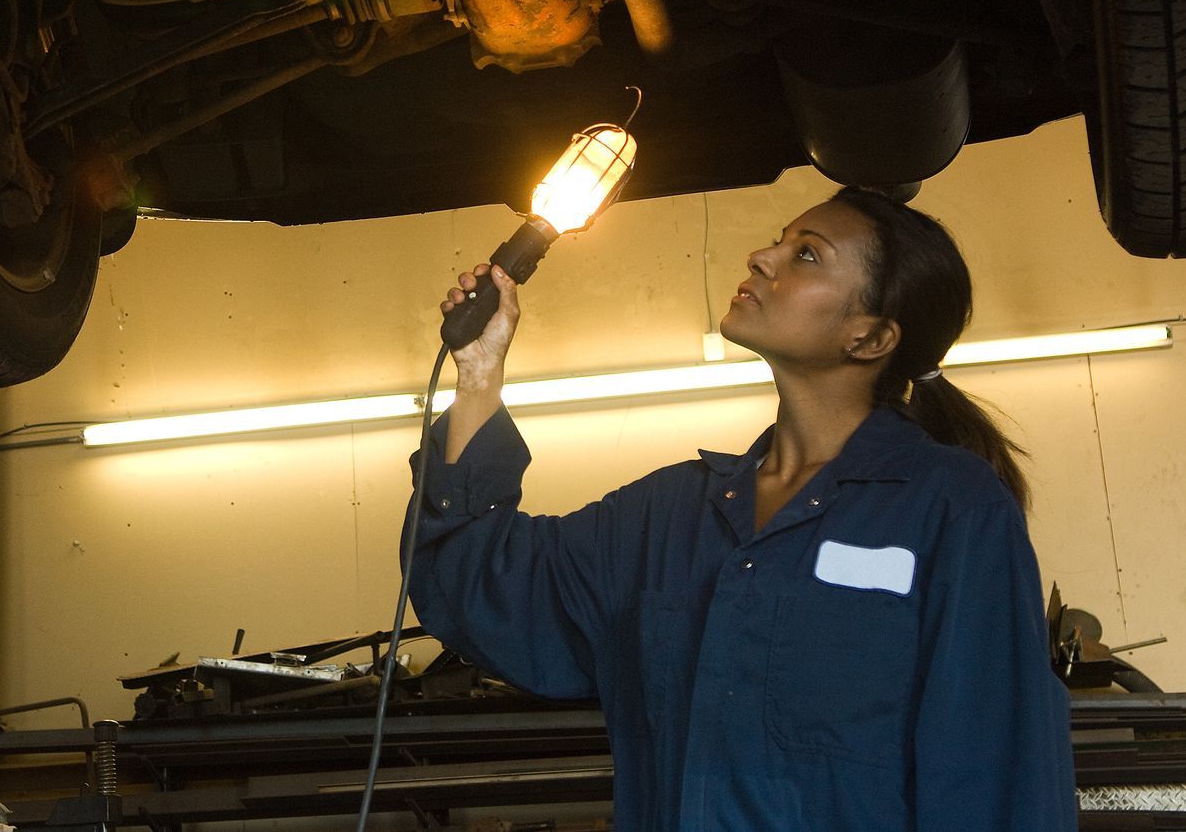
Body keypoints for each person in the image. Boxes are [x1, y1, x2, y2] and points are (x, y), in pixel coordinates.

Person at [407, 186, 1078, 830]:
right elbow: (476, 581)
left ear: (870, 337)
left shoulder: (951, 507)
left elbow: (1000, 778)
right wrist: (478, 372)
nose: (762, 256)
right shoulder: (668, 517)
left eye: (806, 254)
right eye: (779, 241)